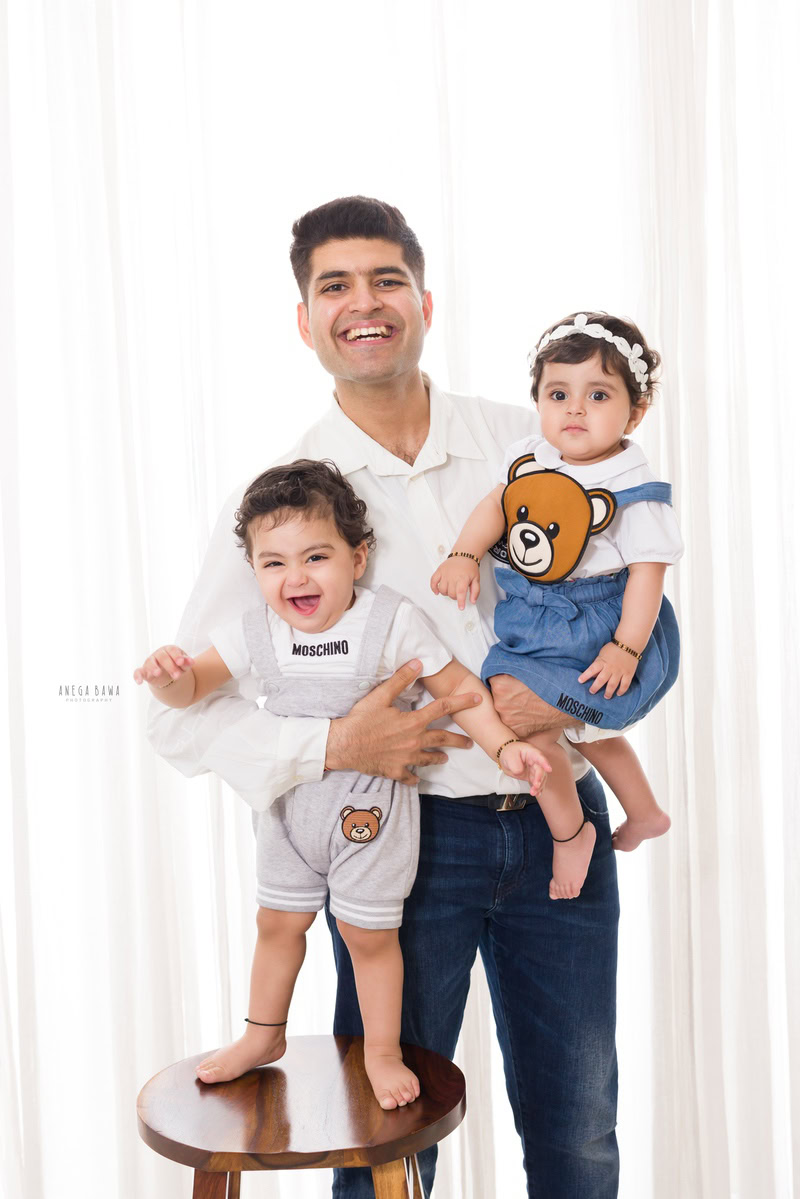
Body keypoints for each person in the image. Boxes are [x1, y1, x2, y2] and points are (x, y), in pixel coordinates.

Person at [148, 196, 626, 1197]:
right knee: (383, 1145)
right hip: (403, 844)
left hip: (561, 826)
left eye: (386, 280)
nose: (363, 302)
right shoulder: (285, 505)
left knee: (578, 1132)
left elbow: (645, 626)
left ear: (424, 302)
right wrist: (333, 746)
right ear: (305, 320)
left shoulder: (534, 443)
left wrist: (579, 708)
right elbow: (175, 711)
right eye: (335, 286)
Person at [135, 459, 549, 1109]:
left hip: (371, 816)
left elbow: (458, 687)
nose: (295, 577)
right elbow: (192, 690)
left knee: (369, 937)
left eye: (316, 557)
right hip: (288, 812)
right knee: (276, 924)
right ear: (254, 571)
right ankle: (262, 1033)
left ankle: (381, 1050)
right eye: (273, 563)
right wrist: (169, 677)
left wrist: (504, 744)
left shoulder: (389, 621)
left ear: (357, 559)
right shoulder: (256, 631)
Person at [431, 311, 682, 899]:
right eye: (558, 394)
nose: (575, 410)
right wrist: (465, 553)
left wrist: (626, 648)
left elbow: (648, 577)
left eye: (598, 395)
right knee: (570, 728)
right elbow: (498, 505)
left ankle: (571, 835)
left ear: (635, 413)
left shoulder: (634, 487)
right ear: (539, 401)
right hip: (534, 614)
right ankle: (641, 812)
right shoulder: (531, 455)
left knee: (530, 717)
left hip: (596, 621)